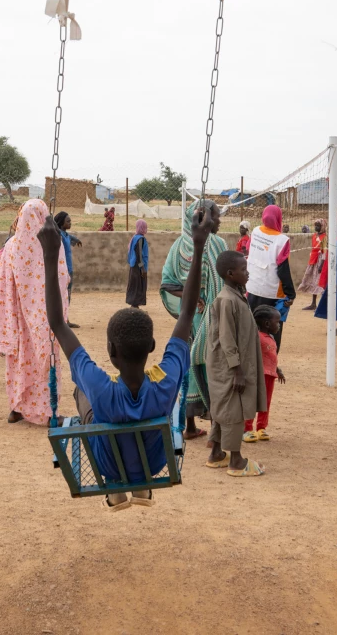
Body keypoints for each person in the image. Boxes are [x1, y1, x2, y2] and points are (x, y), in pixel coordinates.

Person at [41, 201, 217, 509]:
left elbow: (58, 323)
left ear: (110, 351)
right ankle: (142, 486)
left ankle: (116, 487)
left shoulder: (99, 386)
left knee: (82, 391)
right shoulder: (165, 381)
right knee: (129, 406)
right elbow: (187, 314)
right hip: (154, 463)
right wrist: (199, 244)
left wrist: (49, 255)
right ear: (152, 346)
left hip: (108, 465)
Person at [0, 199, 70, 424]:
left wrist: (7, 315)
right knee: (45, 360)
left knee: (18, 362)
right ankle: (49, 411)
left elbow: (3, 284)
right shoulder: (51, 244)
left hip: (17, 318)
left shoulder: (11, 246)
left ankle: (16, 407)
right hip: (44, 317)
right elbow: (62, 278)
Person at [160, 200, 226, 443]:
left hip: (189, 319)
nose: (219, 221)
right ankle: (215, 430)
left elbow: (168, 284)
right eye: (216, 216)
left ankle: (189, 426)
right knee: (214, 367)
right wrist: (200, 297)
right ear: (203, 218)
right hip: (210, 317)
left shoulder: (179, 245)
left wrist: (191, 298)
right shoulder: (216, 244)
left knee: (187, 365)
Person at [206, 250, 268, 476]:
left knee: (225, 407)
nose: (247, 273)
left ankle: (216, 453)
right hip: (230, 367)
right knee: (233, 409)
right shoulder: (226, 300)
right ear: (230, 274)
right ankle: (236, 461)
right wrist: (237, 370)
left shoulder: (237, 296)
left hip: (233, 365)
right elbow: (227, 338)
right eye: (243, 270)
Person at [245, 205, 296, 351]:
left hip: (252, 287)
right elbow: (283, 269)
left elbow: (249, 249)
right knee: (272, 327)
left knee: (253, 325)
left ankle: (252, 357)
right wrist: (290, 293)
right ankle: (270, 357)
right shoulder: (282, 240)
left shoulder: (255, 231)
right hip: (271, 292)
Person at [243, 305, 286, 444]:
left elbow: (271, 357)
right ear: (267, 323)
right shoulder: (256, 338)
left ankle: (261, 427)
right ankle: (247, 428)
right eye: (277, 322)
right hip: (257, 376)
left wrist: (277, 370)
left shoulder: (271, 338)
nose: (279, 325)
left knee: (266, 402)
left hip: (270, 376)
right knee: (252, 402)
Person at [53, 211, 84, 329]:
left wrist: (77, 240)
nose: (70, 223)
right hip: (62, 270)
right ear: (61, 223)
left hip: (69, 269)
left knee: (67, 295)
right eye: (68, 221)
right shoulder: (58, 235)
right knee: (63, 295)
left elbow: (69, 237)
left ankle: (65, 319)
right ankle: (62, 320)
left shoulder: (65, 235)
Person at [299, 219, 328, 310]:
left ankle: (323, 305)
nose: (316, 227)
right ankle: (313, 303)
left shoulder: (324, 237)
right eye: (315, 225)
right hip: (313, 260)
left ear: (322, 227)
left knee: (319, 282)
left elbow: (324, 252)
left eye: (318, 226)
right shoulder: (314, 236)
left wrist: (321, 264)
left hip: (320, 261)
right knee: (313, 281)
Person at [126, 219, 149, 308]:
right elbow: (138, 253)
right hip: (138, 267)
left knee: (135, 285)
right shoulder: (140, 239)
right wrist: (142, 268)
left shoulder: (135, 237)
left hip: (134, 265)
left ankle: (134, 304)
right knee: (138, 285)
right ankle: (134, 305)